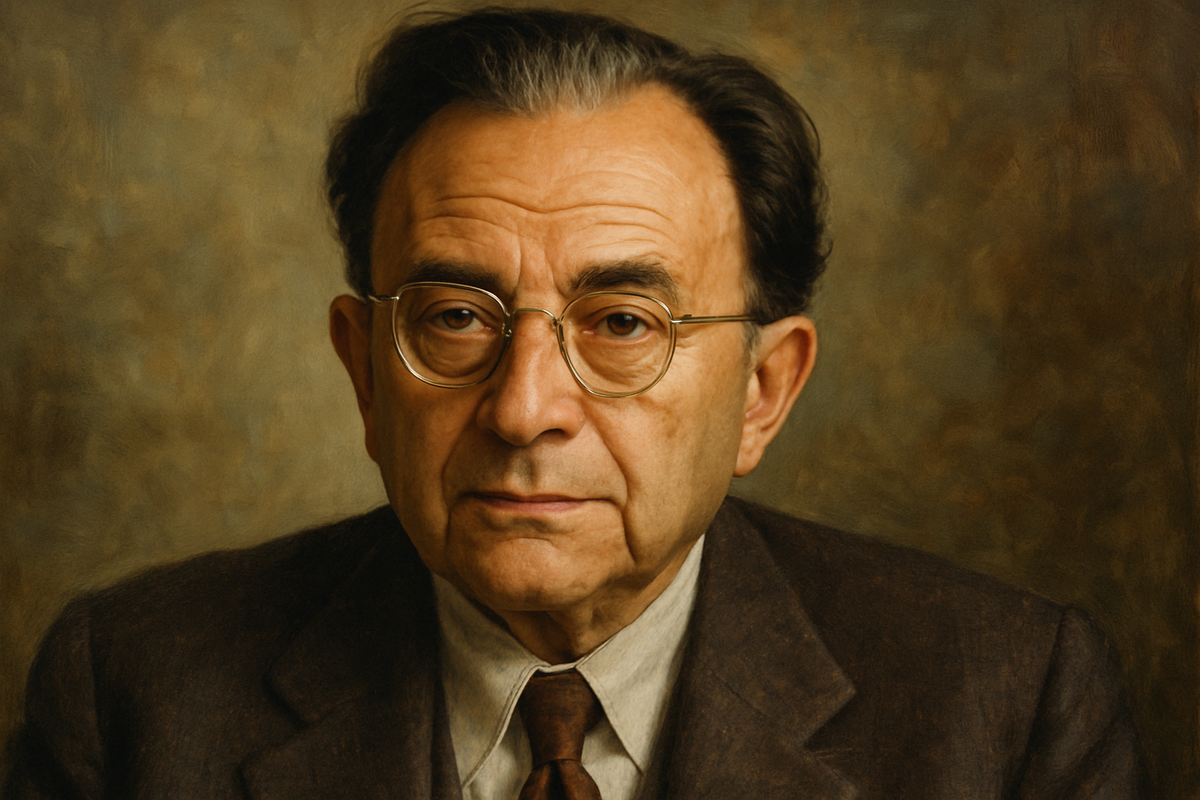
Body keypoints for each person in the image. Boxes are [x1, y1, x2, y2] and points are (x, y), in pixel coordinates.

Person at [4, 7, 1144, 799]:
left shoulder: (1006, 710)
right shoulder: (134, 694)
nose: (524, 409)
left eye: (623, 323)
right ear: (363, 372)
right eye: (457, 317)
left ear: (763, 391)